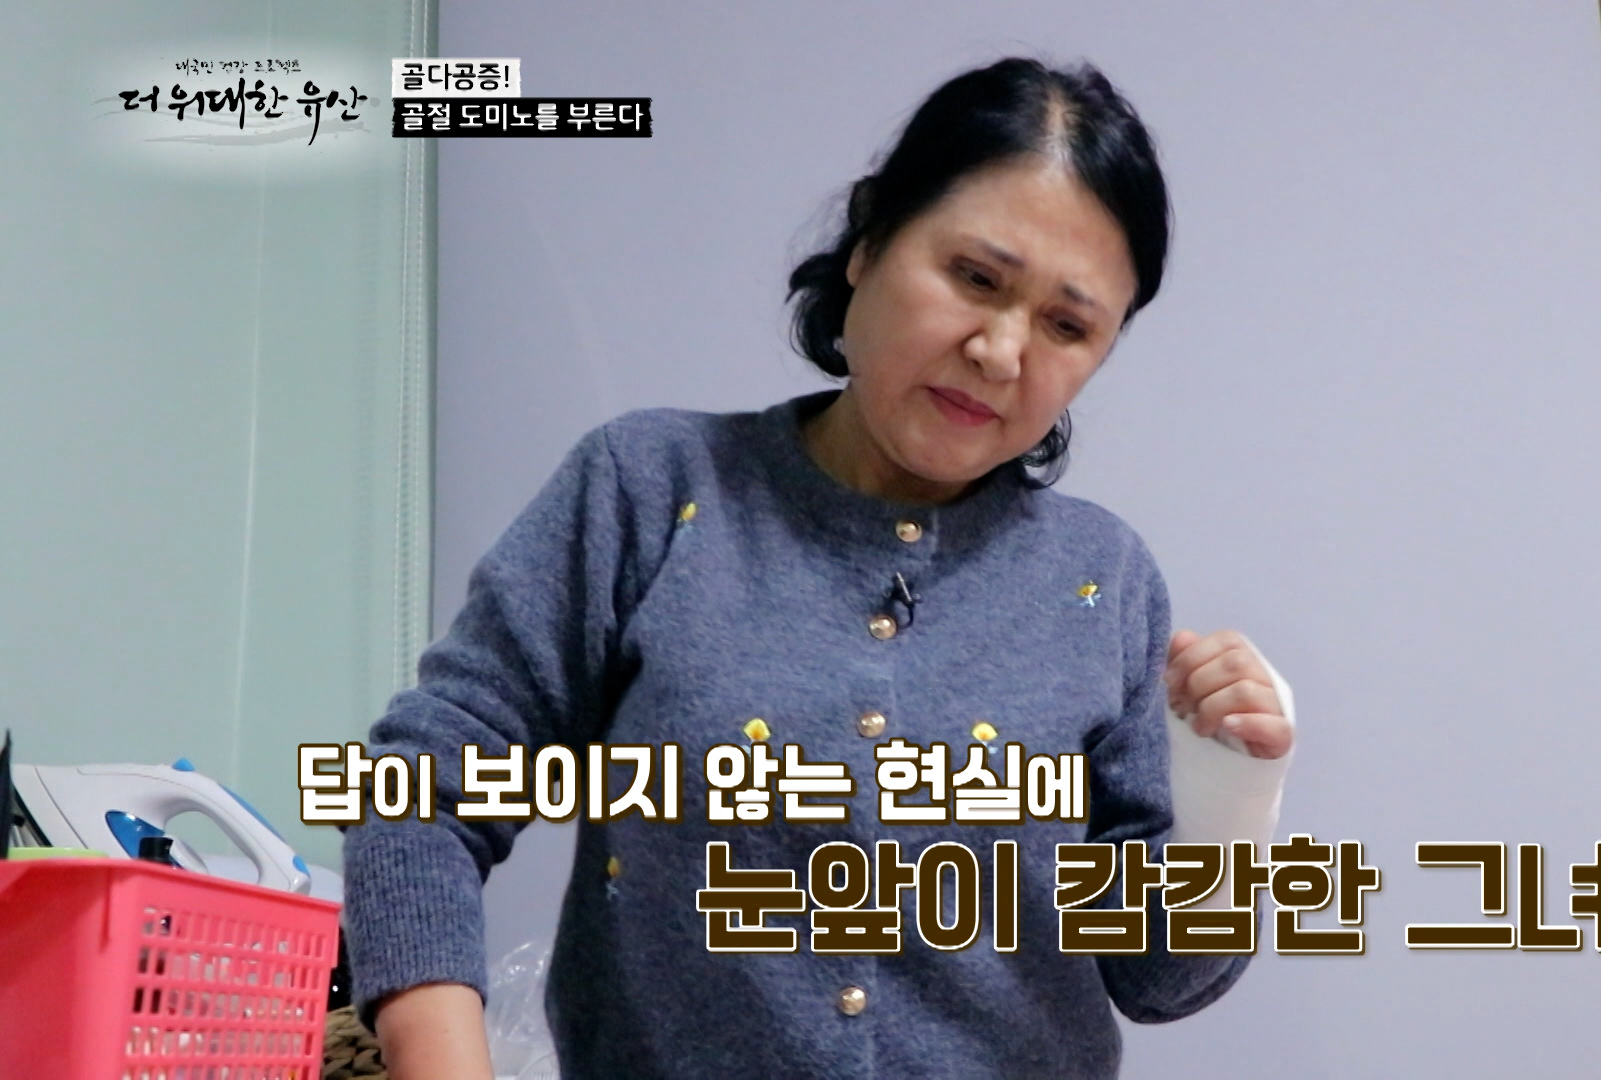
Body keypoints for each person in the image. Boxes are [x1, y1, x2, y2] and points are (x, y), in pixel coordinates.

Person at [345, 56, 1296, 1080]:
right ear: (869, 239)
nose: (1001, 350)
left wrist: (1235, 798)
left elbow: (1158, 976)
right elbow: (420, 791)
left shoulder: (1100, 580)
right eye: (976, 278)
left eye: (1068, 326)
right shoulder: (653, 489)